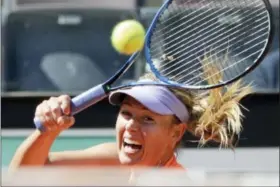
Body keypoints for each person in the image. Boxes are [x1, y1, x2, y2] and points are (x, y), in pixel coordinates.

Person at [9, 69, 252, 174]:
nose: (132, 126)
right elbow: (23, 178)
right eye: (127, 113)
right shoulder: (112, 160)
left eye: (148, 118)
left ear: (175, 133)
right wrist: (47, 132)